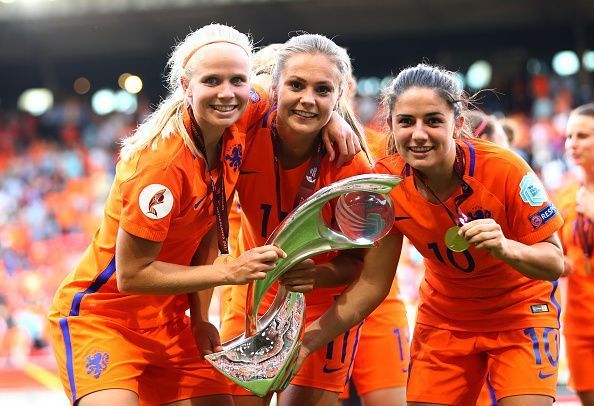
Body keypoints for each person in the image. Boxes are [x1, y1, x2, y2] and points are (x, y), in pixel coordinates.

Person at [47, 24, 355, 406]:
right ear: (184, 85)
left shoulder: (243, 111)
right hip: (106, 318)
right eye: (211, 80)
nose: (227, 93)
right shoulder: (161, 164)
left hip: (174, 319)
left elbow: (295, 90)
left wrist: (333, 116)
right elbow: (131, 275)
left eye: (236, 81)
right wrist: (229, 272)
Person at [294, 63, 565, 406]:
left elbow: (555, 261)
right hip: (444, 322)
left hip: (520, 316)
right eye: (406, 121)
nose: (419, 134)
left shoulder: (504, 168)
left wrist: (507, 248)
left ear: (458, 124)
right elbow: (372, 284)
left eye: (433, 121)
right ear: (390, 125)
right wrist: (305, 345)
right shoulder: (384, 185)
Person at [219, 34, 373, 406]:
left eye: (323, 90)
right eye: (296, 85)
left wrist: (318, 276)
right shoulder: (244, 130)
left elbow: (358, 263)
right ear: (275, 87)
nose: (308, 98)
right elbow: (237, 90)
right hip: (254, 295)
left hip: (322, 306)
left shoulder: (351, 164)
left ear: (339, 96)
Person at [338, 68, 409, 406]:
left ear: (348, 86)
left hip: (379, 302)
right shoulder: (256, 151)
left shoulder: (383, 147)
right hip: (313, 300)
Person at [556, 103, 594, 406]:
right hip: (579, 323)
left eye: (582, 135)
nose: (573, 144)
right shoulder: (565, 195)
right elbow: (560, 256)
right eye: (569, 136)